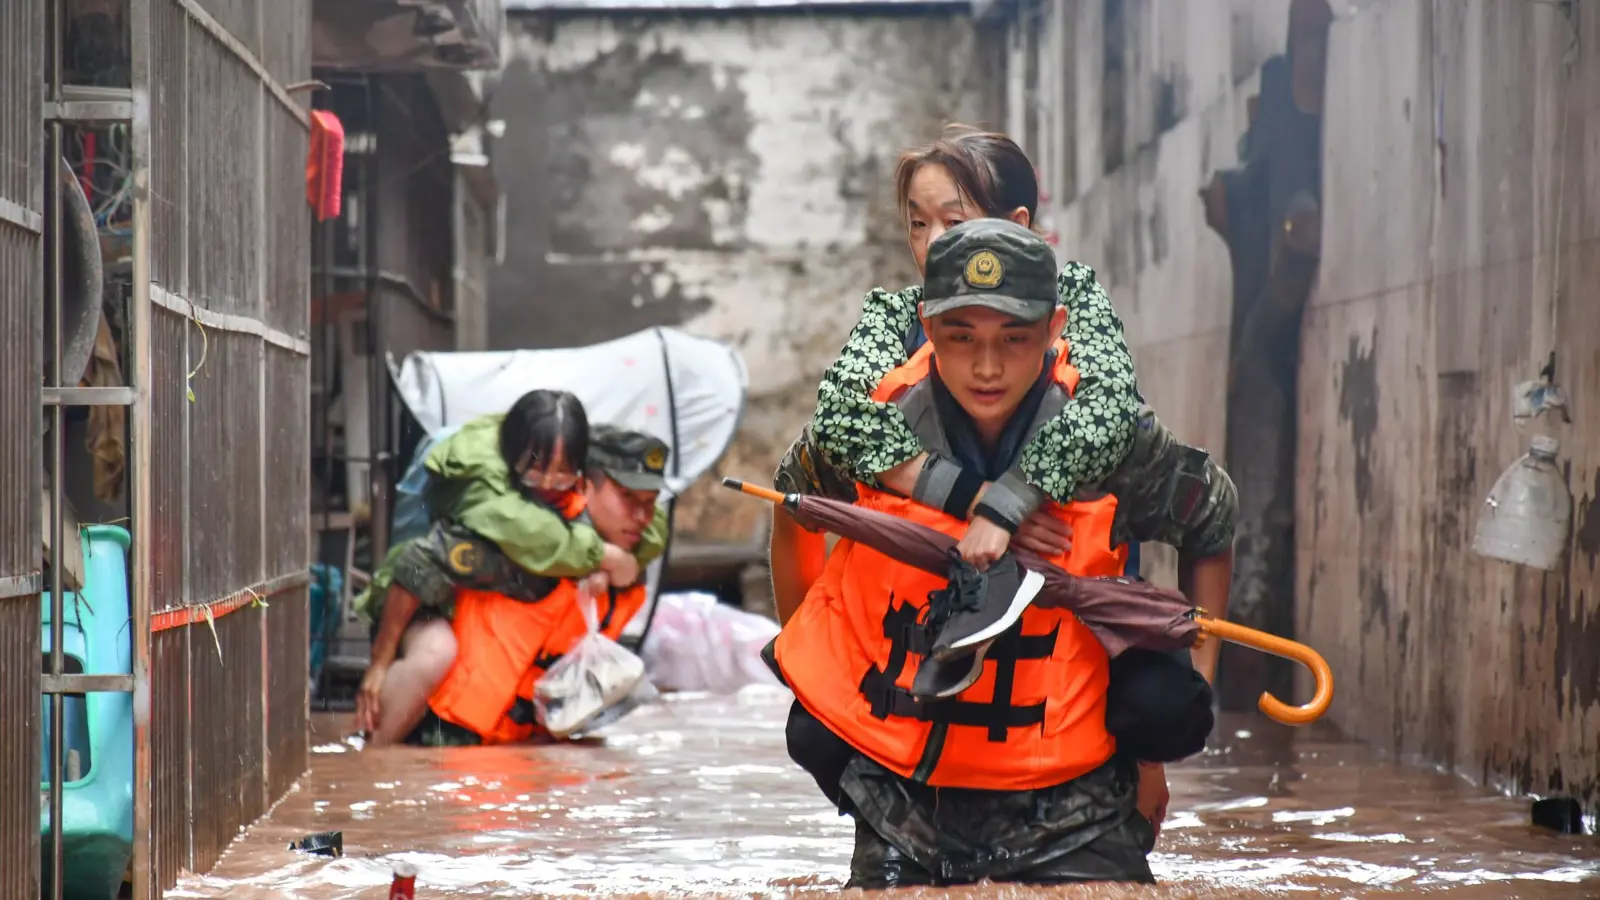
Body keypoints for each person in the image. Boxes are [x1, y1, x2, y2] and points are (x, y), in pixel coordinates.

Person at [769, 219, 1220, 888]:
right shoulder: (874, 427)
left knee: (1168, 707)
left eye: (1014, 340)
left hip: (1075, 802)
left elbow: (1213, 519)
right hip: (904, 797)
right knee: (813, 722)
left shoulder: (1106, 436)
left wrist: (1174, 720)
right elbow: (792, 503)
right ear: (926, 325)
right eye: (961, 339)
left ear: (1054, 327)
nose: (987, 367)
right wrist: (811, 653)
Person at [352, 390, 667, 745]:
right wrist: (379, 664)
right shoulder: (507, 523)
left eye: (561, 478)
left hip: (502, 708)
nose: (548, 487)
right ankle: (371, 754)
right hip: (417, 606)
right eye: (535, 475)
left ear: (579, 476)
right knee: (434, 654)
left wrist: (606, 563)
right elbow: (414, 567)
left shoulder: (595, 532)